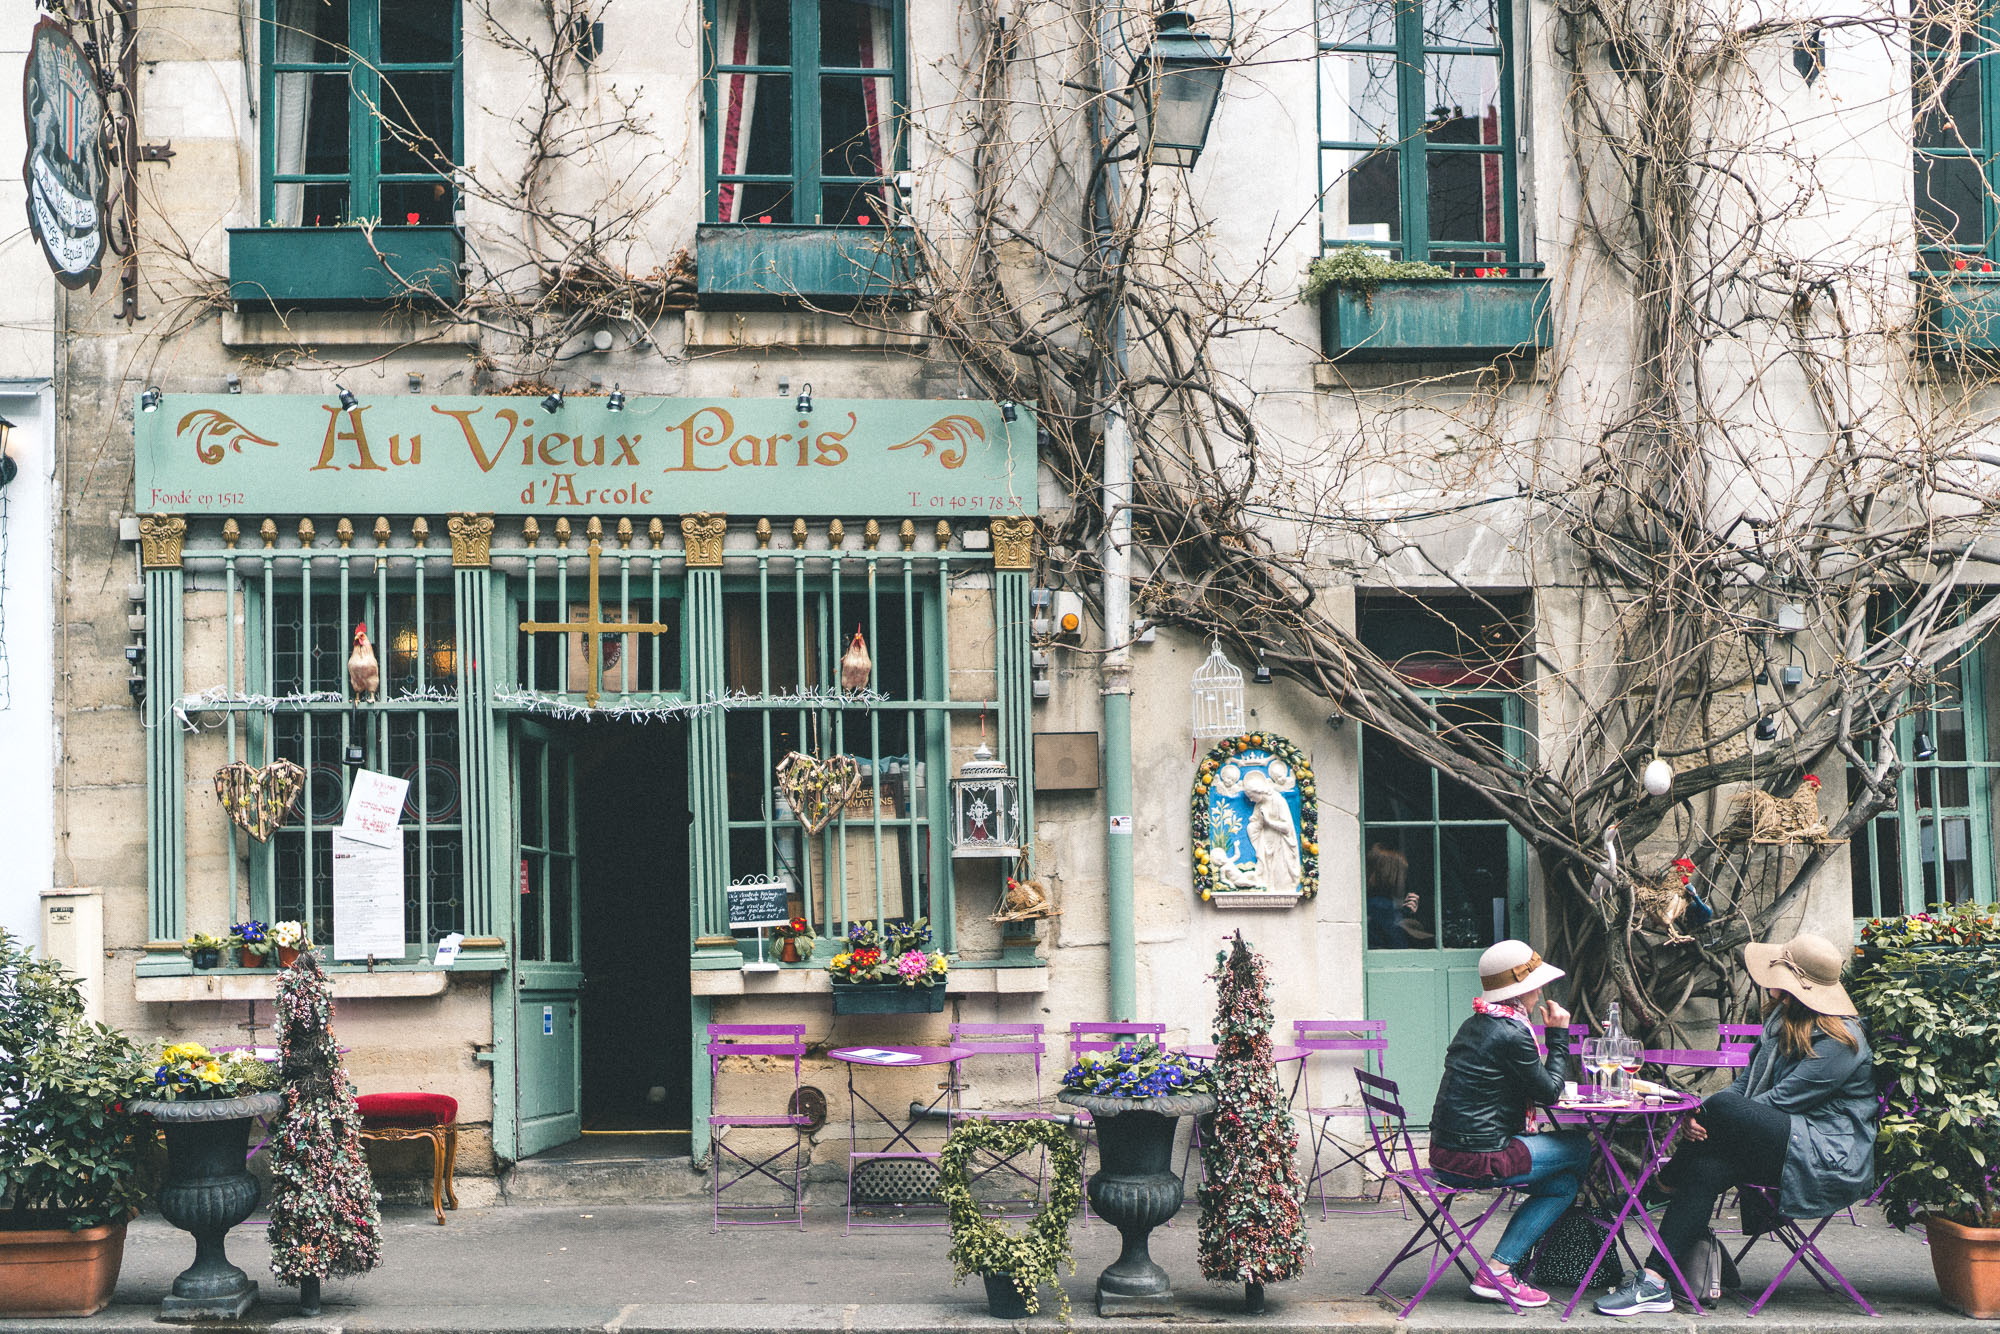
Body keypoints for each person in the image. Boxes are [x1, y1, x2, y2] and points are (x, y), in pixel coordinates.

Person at [1594, 932, 1876, 1316]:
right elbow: (1745, 1085)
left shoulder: (1842, 1040)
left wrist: (1709, 1115)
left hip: (1825, 1152)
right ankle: (1655, 1282)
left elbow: (1780, 1100)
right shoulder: (1783, 1018)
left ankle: (1661, 1184)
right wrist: (1707, 1116)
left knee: (1722, 1110)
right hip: (1785, 1136)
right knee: (1707, 1169)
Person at [1428, 939, 1590, 1308]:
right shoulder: (1513, 1032)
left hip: (1444, 1153)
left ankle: (1507, 1266)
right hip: (1477, 1159)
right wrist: (1559, 1035)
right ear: (1526, 989)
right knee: (1580, 1147)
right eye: (1537, 984)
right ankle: (1531, 1260)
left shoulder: (1478, 1022)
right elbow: (1549, 1093)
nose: (1541, 991)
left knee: (1563, 1184)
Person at [1365, 844, 1433, 948]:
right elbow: (1399, 946)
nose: (1405, 880)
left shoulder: (1372, 904)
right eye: (1403, 874)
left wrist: (1406, 913)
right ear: (1393, 877)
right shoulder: (1382, 907)